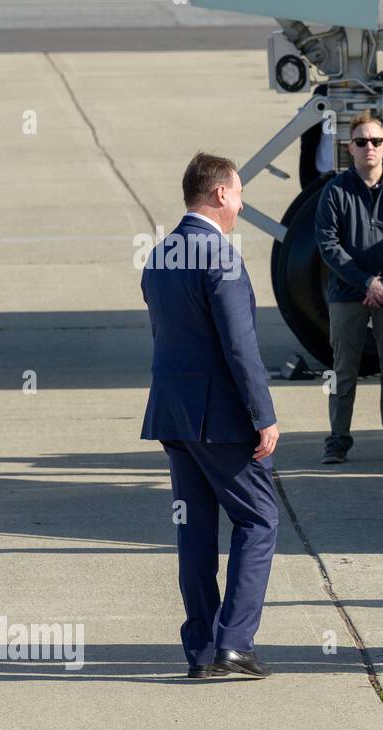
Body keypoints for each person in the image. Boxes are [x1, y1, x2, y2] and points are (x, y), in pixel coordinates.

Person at [141, 152, 279, 680]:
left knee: (194, 531)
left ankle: (201, 650)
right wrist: (262, 414)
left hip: (173, 416)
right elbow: (239, 345)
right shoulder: (218, 255)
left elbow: (166, 336)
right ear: (220, 194)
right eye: (239, 193)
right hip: (219, 419)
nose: (241, 204)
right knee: (258, 519)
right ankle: (235, 643)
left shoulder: (159, 255)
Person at [315, 110, 383, 465]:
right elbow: (329, 246)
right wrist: (366, 282)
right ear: (350, 147)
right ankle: (337, 441)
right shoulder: (335, 192)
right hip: (348, 294)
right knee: (343, 368)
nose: (369, 147)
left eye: (376, 141)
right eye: (361, 141)